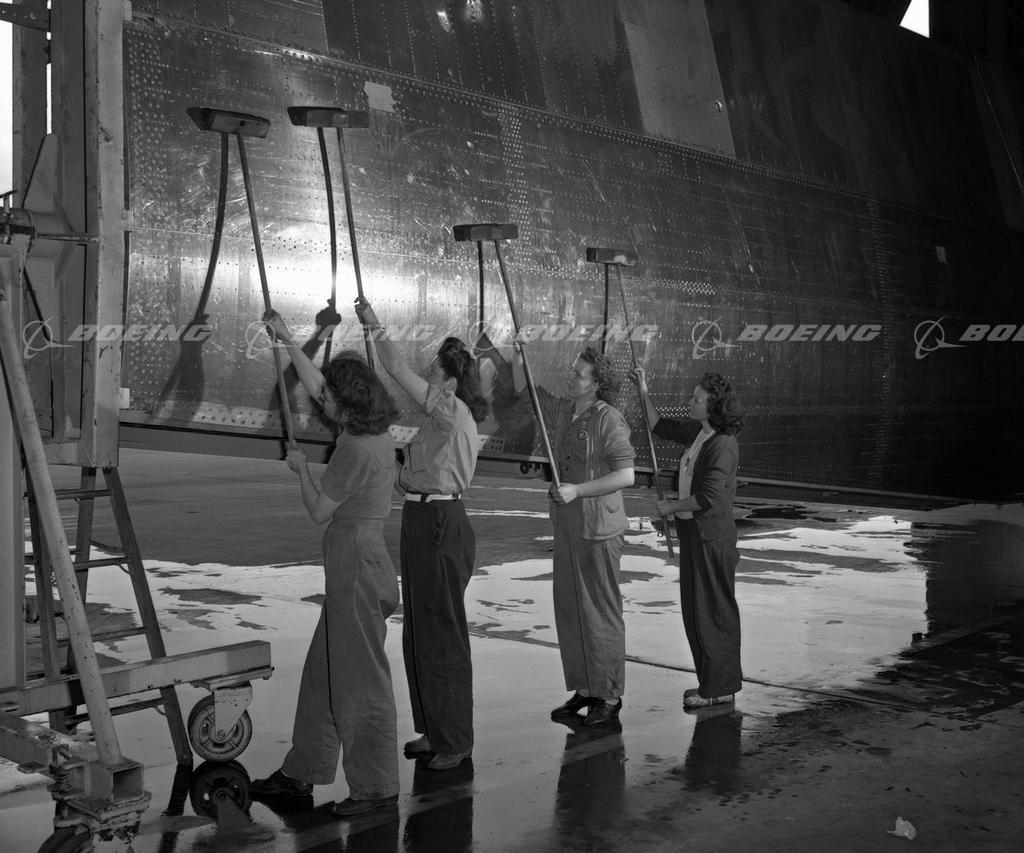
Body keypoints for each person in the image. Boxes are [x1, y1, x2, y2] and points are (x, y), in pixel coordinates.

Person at [251, 312, 401, 817]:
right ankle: (302, 772)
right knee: (325, 674)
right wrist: (287, 339)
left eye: (330, 399)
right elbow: (318, 385)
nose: (321, 402)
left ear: (348, 404)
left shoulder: (355, 449)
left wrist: (300, 471)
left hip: (355, 563)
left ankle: (376, 787)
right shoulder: (372, 432)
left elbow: (319, 511)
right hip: (356, 561)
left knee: (360, 681)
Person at [355, 297, 488, 771]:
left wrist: (374, 326)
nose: (426, 375)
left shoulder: (451, 409)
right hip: (420, 518)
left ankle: (455, 741)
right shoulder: (437, 422)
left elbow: (395, 369)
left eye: (432, 370)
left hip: (439, 523)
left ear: (448, 383)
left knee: (441, 632)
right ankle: (433, 729)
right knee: (420, 631)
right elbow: (410, 475)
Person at [514, 344, 635, 726]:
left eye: (579, 374)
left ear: (596, 384)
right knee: (571, 610)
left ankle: (609, 694)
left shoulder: (608, 419)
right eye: (573, 370)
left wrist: (578, 490)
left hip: (598, 529)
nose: (571, 377)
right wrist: (518, 354)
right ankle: (586, 686)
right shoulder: (567, 410)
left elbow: (626, 475)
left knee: (600, 612)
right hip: (568, 525)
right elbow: (527, 392)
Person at [632, 367, 743, 709]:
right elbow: (658, 426)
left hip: (711, 539)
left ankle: (720, 688)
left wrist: (672, 507)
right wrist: (643, 387)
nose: (690, 402)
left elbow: (710, 495)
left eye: (697, 399)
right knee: (696, 611)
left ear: (713, 407)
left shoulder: (723, 445)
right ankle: (710, 683)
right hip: (695, 535)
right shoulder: (699, 433)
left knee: (713, 613)